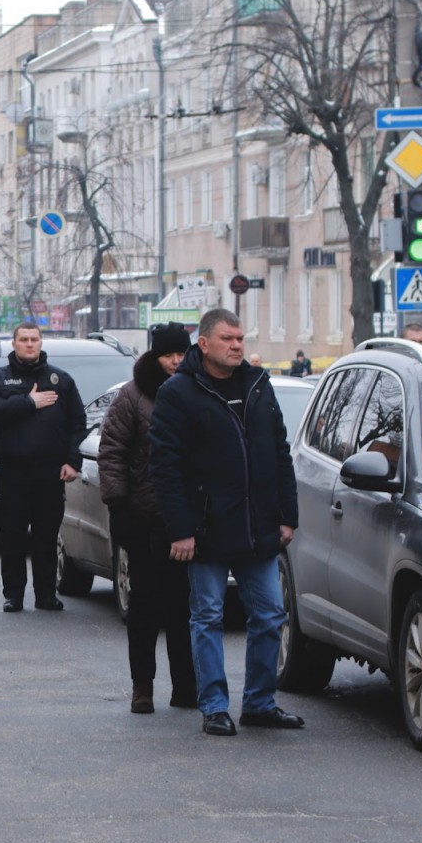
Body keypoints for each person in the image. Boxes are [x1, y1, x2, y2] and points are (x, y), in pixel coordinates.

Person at [149, 307, 305, 737]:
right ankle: (214, 706)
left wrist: (287, 516)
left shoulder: (258, 384)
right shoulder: (178, 393)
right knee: (208, 618)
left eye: (240, 338)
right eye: (228, 339)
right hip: (206, 529)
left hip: (259, 527)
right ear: (204, 344)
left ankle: (259, 701)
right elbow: (164, 467)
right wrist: (180, 529)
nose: (237, 346)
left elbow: (280, 452)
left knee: (271, 615)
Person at [99, 323, 195, 713]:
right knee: (144, 609)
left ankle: (186, 686)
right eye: (169, 355)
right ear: (155, 356)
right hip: (143, 520)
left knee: (185, 608)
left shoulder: (195, 390)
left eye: (181, 354)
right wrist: (118, 505)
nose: (176, 361)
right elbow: (112, 452)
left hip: (186, 519)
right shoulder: (133, 395)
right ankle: (143, 687)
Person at [0, 322, 84, 612]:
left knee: (46, 537)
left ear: (41, 342)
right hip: (13, 472)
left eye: (34, 339)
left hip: (50, 472)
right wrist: (28, 403)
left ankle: (46, 595)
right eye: (24, 339)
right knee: (12, 536)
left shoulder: (60, 380)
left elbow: (77, 424)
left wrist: (73, 461)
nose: (29, 344)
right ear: (14, 343)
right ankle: (14, 595)